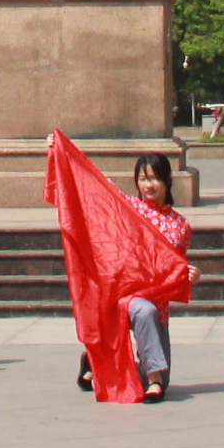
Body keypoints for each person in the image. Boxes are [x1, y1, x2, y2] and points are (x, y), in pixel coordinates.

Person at [79, 153, 192, 401]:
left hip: (157, 298)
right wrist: (58, 150)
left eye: (154, 178)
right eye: (142, 179)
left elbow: (177, 267)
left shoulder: (180, 225)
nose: (148, 185)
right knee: (144, 311)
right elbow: (95, 186)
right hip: (124, 293)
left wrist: (189, 274)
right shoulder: (128, 208)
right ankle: (153, 381)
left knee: (164, 375)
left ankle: (94, 360)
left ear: (167, 180)